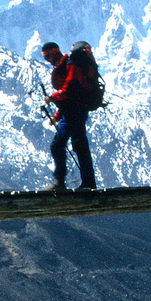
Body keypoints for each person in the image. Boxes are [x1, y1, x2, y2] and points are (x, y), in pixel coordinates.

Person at [41, 40, 97, 191]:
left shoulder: (70, 64)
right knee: (59, 145)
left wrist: (51, 98)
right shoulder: (65, 66)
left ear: (54, 53)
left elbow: (70, 89)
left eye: (47, 57)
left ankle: (88, 183)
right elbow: (69, 98)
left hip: (77, 110)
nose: (47, 61)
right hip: (70, 111)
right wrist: (58, 116)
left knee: (78, 144)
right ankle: (62, 182)